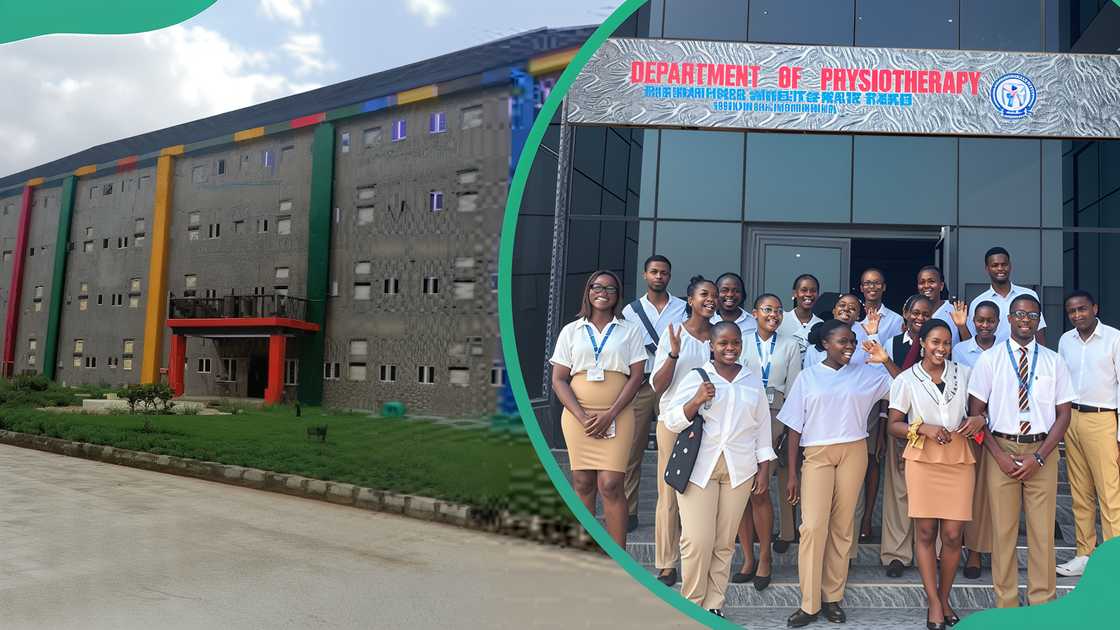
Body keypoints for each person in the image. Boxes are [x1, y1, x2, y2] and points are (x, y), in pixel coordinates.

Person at [779, 319, 894, 627]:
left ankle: (832, 598)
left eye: (852, 341)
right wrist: (792, 473)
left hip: (853, 451)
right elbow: (792, 428)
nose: (850, 346)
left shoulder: (867, 375)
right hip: (816, 453)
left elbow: (906, 385)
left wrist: (886, 360)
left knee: (843, 527)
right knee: (813, 527)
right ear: (825, 344)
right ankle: (809, 603)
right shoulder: (808, 377)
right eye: (843, 341)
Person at [663, 321, 776, 619]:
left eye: (735, 343)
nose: (730, 348)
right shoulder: (697, 377)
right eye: (723, 343)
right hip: (700, 466)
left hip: (740, 468)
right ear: (711, 345)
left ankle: (714, 604)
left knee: (725, 543)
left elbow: (762, 429)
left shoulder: (751, 380)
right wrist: (697, 400)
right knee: (697, 541)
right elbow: (672, 420)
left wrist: (764, 470)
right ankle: (691, 605)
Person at [967, 294, 1074, 608]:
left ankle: (1043, 604)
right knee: (1003, 533)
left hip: (1043, 450)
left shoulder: (1054, 361)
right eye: (1018, 313)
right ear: (1008, 319)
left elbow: (1064, 414)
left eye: (1031, 314)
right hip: (1000, 449)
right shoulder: (990, 360)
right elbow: (976, 415)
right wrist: (999, 456)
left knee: (1042, 534)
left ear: (1038, 320)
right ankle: (1007, 604)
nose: (1025, 319)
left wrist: (1039, 456)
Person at [885, 319, 987, 629]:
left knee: (954, 535)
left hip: (958, 458)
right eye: (935, 342)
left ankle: (945, 597)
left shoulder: (966, 374)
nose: (941, 348)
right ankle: (934, 602)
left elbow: (982, 411)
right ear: (922, 343)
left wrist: (979, 420)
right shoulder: (905, 379)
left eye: (946, 343)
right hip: (923, 458)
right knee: (927, 532)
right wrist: (924, 428)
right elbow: (893, 425)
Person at [550, 270, 648, 548]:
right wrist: (582, 417)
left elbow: (637, 377)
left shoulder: (629, 330)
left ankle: (617, 556)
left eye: (610, 288)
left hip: (616, 414)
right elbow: (559, 379)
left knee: (611, 484)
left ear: (617, 296)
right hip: (578, 416)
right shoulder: (572, 330)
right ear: (588, 291)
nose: (602, 291)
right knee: (582, 482)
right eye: (596, 286)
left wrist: (610, 414)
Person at [649, 275, 718, 586]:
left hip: (712, 426)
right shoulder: (675, 333)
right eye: (704, 294)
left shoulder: (722, 336)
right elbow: (657, 386)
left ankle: (700, 557)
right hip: (674, 422)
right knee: (670, 493)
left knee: (700, 491)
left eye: (713, 296)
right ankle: (666, 563)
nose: (710, 300)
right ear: (690, 300)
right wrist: (674, 354)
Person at [732, 293, 803, 588]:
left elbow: (795, 389)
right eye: (767, 309)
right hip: (740, 415)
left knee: (760, 490)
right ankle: (747, 556)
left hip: (775, 415)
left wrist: (784, 429)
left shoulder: (790, 346)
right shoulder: (741, 340)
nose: (773, 315)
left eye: (777, 311)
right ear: (755, 312)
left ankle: (765, 558)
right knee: (741, 491)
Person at [621, 255, 687, 533]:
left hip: (673, 383)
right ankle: (628, 511)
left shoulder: (683, 308)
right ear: (645, 275)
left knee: (677, 452)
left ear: (670, 277)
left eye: (664, 273)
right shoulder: (630, 311)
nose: (659, 276)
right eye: (654, 272)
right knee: (631, 450)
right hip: (641, 383)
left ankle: (679, 512)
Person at [1056, 290, 1120, 577]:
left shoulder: (1114, 339)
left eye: (1082, 309)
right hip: (1072, 418)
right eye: (1072, 311)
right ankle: (1084, 553)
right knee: (1080, 491)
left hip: (1102, 418)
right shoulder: (1065, 341)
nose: (1078, 315)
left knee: (1109, 492)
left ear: (1095, 308)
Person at [874, 294, 934, 578]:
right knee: (898, 490)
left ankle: (930, 551)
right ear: (905, 313)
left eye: (926, 314)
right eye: (915, 313)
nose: (920, 319)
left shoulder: (937, 344)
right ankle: (896, 553)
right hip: (900, 424)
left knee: (928, 491)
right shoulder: (893, 345)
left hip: (931, 427)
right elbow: (891, 388)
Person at [952, 301, 1000, 579]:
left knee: (983, 495)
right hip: (963, 429)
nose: (984, 325)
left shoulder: (1005, 349)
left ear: (997, 322)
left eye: (989, 320)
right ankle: (950, 547)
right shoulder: (959, 350)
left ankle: (977, 552)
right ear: (972, 321)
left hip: (994, 428)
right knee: (962, 492)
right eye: (979, 320)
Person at [967, 247, 1047, 345]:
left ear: (1010, 266)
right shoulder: (978, 302)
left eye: (1004, 264)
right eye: (995, 265)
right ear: (987, 269)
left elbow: (1039, 332)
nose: (1000, 268)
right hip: (994, 358)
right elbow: (973, 338)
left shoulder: (1029, 295)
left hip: (1025, 356)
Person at [803, 294, 874, 369]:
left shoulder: (867, 338)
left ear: (858, 316)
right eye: (842, 305)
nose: (846, 309)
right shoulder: (814, 346)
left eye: (852, 308)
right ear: (834, 311)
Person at [916, 265, 972, 345]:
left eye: (931, 281)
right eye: (922, 282)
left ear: (941, 286)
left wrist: (962, 327)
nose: (926, 286)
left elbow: (970, 345)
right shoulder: (914, 314)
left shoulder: (955, 310)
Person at [779, 274, 824, 361]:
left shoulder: (821, 324)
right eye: (804, 290)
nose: (808, 294)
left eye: (813, 290)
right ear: (795, 293)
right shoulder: (781, 319)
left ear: (818, 294)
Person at [857, 268, 904, 342]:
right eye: (867, 283)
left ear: (884, 287)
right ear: (861, 288)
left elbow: (894, 351)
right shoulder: (853, 316)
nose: (872, 286)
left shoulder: (896, 320)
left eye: (877, 283)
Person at [712, 272, 758, 337]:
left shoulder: (754, 323)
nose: (730, 294)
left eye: (736, 291)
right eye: (724, 290)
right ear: (716, 294)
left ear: (743, 294)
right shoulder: (708, 321)